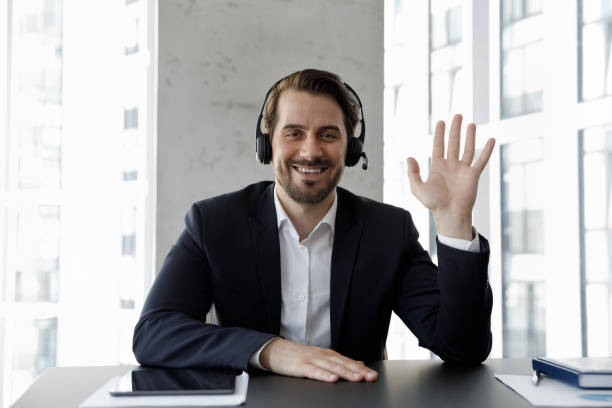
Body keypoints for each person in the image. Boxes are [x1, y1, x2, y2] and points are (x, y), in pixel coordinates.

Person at [133, 68, 496, 383]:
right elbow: (154, 333)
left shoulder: (388, 230)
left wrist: (454, 221)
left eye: (328, 134)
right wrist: (272, 351)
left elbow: (462, 348)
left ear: (351, 148)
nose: (310, 151)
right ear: (267, 145)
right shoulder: (213, 223)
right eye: (293, 133)